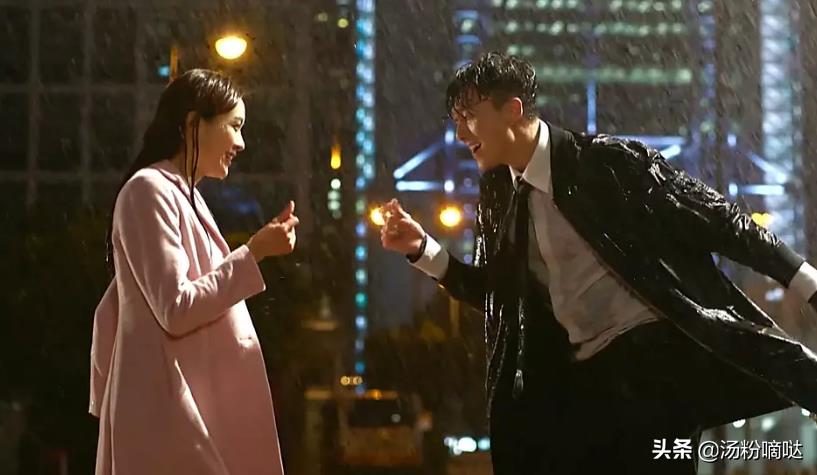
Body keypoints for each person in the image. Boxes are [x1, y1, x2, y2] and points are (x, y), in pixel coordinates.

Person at [380, 52, 817, 474]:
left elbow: (718, 220)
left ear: (512, 110)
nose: (461, 134)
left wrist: (805, 281)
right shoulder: (498, 196)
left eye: (469, 117)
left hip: (651, 362)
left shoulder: (606, 163)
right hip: (584, 382)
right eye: (456, 121)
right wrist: (423, 250)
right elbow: (500, 298)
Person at [89, 69, 296, 475]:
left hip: (184, 407)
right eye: (234, 126)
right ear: (192, 124)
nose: (241, 143)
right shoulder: (149, 189)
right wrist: (254, 252)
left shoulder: (182, 195)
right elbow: (176, 307)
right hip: (168, 414)